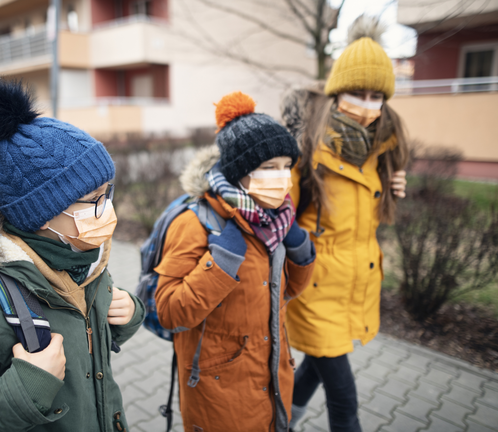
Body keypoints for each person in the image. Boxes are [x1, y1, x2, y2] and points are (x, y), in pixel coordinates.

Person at [0, 76, 144, 432]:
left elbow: (88, 339)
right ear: (37, 212)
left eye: (107, 194)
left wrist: (128, 315)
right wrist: (24, 387)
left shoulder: (83, 259)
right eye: (92, 201)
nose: (106, 210)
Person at [154, 92, 316, 432]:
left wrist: (300, 248)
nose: (282, 178)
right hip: (219, 394)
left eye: (287, 166)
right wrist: (222, 260)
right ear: (239, 171)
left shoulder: (276, 221)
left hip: (273, 378)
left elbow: (287, 293)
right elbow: (170, 312)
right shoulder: (196, 223)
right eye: (268, 167)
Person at [279, 16, 410, 431]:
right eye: (357, 92)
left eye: (376, 96)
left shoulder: (380, 149)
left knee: (318, 369)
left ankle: (282, 422)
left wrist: (390, 187)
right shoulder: (306, 148)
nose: (367, 104)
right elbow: (280, 219)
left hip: (356, 286)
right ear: (337, 92)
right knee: (344, 398)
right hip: (315, 288)